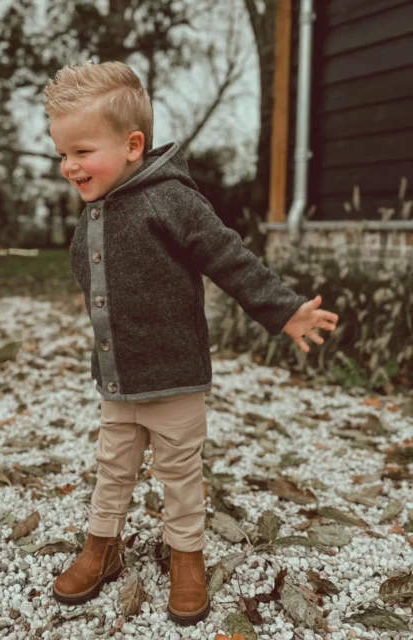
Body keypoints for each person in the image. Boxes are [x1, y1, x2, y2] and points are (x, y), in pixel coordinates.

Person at [43, 61, 338, 626]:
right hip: (118, 380)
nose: (68, 166)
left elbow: (226, 255)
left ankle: (187, 558)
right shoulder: (94, 215)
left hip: (174, 376)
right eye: (62, 154)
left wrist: (283, 311)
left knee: (178, 473)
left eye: (81, 151)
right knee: (112, 467)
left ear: (133, 145)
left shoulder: (169, 199)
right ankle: (101, 548)